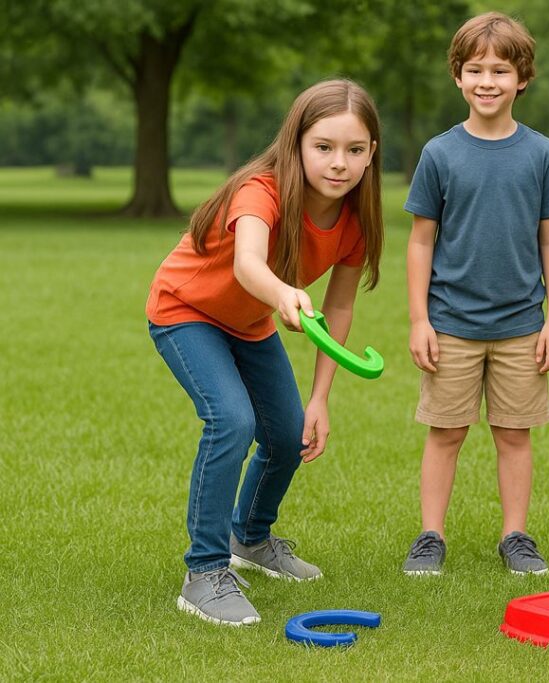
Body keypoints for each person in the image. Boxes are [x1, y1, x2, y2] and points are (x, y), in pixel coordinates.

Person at [146, 79, 383, 626]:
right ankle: (204, 573)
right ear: (296, 143)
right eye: (323, 147)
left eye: (354, 149)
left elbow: (339, 311)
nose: (338, 163)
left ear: (372, 154)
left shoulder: (355, 222)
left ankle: (248, 538)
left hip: (249, 323)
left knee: (287, 431)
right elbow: (248, 264)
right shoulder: (262, 190)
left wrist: (321, 398)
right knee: (230, 419)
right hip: (185, 310)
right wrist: (282, 294)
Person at [401, 12, 549, 576]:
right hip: (450, 321)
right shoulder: (440, 153)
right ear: (457, 76)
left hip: (523, 324)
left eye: (501, 69)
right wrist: (419, 320)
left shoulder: (541, 153)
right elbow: (421, 242)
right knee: (446, 431)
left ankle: (516, 536)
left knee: (514, 435)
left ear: (522, 78)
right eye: (474, 69)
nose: (487, 81)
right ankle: (430, 537)